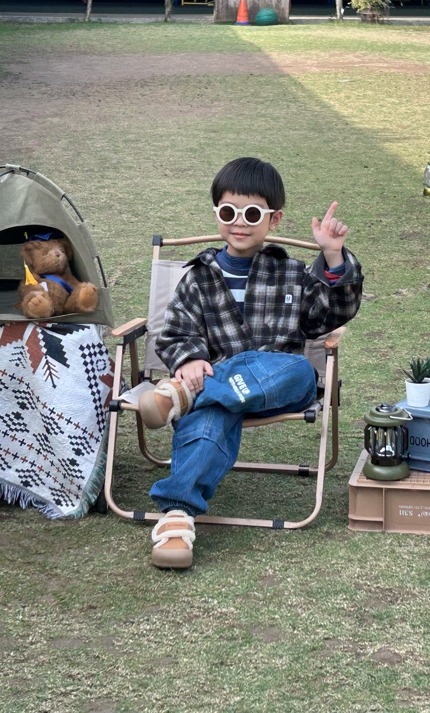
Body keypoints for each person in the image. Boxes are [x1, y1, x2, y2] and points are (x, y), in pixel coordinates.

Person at [137, 157, 364, 569]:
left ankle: (182, 396)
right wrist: (190, 359)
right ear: (216, 214)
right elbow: (175, 333)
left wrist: (333, 256)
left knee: (299, 369)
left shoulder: (291, 272)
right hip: (220, 395)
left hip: (278, 386)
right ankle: (177, 517)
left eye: (252, 214)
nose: (239, 223)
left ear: (273, 219)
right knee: (211, 415)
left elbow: (330, 316)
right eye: (228, 212)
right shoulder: (197, 277)